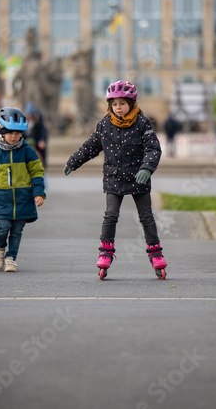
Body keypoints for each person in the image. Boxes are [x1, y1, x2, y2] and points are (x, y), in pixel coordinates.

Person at [63, 80, 167, 280]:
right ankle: (106, 252)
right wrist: (73, 161)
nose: (118, 108)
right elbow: (90, 147)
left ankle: (155, 253)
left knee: (146, 216)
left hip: (138, 178)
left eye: (122, 103)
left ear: (132, 103)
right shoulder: (104, 125)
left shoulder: (142, 123)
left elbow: (153, 148)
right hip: (114, 178)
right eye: (114, 104)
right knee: (110, 215)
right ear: (109, 106)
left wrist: (146, 168)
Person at [0, 107, 46, 272]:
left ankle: (11, 258)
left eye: (18, 133)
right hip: (3, 199)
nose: (14, 136)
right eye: (10, 133)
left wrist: (39, 192)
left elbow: (37, 172)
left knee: (17, 231)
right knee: (3, 228)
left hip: (23, 199)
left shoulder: (27, 152)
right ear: (2, 132)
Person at [24, 102, 48, 168]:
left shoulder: (39, 122)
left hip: (36, 146)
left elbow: (43, 133)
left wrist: (42, 140)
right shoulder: (24, 122)